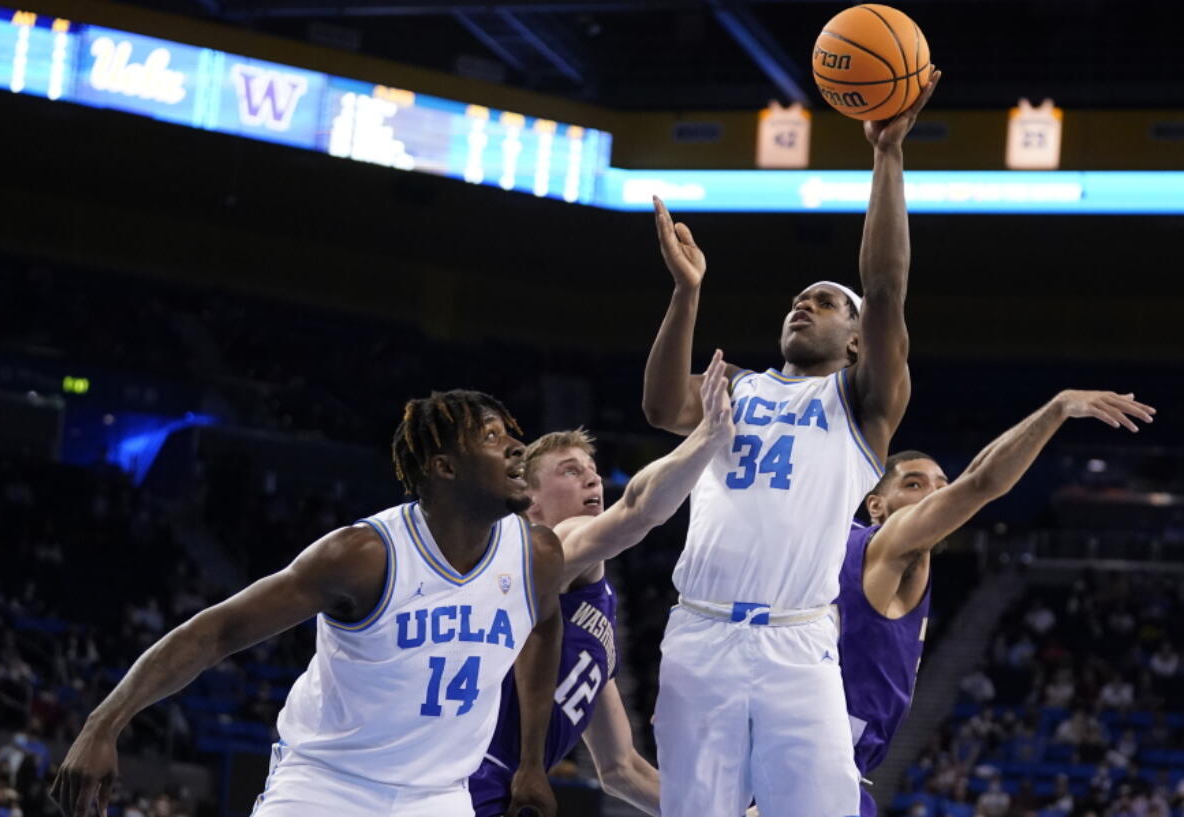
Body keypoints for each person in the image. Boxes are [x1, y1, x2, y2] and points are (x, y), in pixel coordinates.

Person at [642, 66, 941, 816]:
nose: (805, 306)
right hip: (701, 628)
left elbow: (888, 283)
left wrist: (887, 156)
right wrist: (686, 294)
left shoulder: (862, 402)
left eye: (828, 302)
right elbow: (658, 405)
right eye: (799, 299)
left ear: (856, 340)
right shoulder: (735, 385)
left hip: (799, 644)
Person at [51, 390, 565, 817]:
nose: (519, 446)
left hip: (439, 797)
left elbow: (543, 629)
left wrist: (532, 762)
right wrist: (103, 724)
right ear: (444, 466)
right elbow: (219, 631)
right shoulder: (363, 556)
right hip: (326, 786)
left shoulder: (536, 556)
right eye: (494, 437)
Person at [839, 389, 1154, 816]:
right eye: (914, 485)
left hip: (823, 762)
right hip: (812, 760)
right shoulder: (888, 546)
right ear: (876, 505)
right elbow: (982, 483)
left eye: (940, 486)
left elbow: (974, 476)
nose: (933, 495)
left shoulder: (862, 548)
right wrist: (1057, 408)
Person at [471, 351, 734, 817]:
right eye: (570, 470)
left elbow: (620, 769)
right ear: (530, 500)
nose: (591, 477)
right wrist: (708, 435)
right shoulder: (546, 546)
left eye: (591, 470)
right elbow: (637, 512)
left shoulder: (598, 606)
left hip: (500, 791)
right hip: (460, 782)